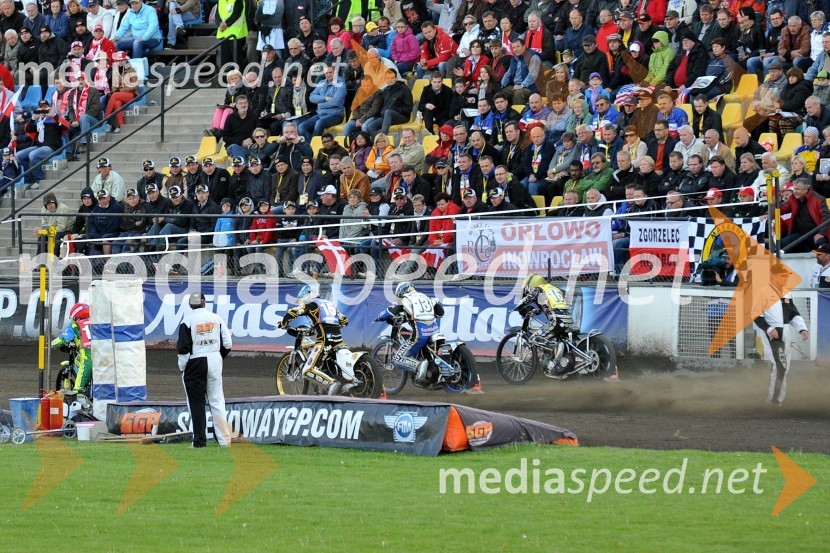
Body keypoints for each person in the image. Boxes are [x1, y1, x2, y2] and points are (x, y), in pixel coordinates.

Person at [278, 283, 356, 395]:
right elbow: (344, 321)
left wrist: (284, 322)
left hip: (324, 340)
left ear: (307, 295)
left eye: (302, 298)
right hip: (338, 340)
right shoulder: (329, 304)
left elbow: (293, 312)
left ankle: (331, 384)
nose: (301, 301)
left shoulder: (311, 304)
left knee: (307, 370)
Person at [177, 291, 233, 448]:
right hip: (215, 360)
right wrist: (218, 356)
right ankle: (224, 441)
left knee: (196, 403)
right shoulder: (216, 318)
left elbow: (183, 349)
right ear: (204, 302)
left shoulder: (187, 321)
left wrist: (183, 367)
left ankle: (199, 441)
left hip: (195, 361)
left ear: (190, 304)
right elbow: (228, 343)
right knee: (217, 400)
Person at [753, 265, 808, 405]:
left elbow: (793, 313)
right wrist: (769, 329)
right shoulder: (763, 292)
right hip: (772, 334)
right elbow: (756, 315)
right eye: (783, 275)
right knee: (780, 365)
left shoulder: (787, 293)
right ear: (773, 276)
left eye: (786, 276)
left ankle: (777, 399)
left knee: (785, 366)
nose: (786, 278)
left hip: (785, 331)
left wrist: (802, 328)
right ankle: (773, 399)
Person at [376, 281, 445, 383]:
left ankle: (419, 366)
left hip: (420, 335)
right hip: (434, 332)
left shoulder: (404, 299)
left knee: (397, 359)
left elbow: (390, 311)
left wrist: (378, 317)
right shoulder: (425, 297)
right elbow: (441, 312)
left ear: (401, 291)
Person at [516, 274, 580, 374]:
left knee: (534, 339)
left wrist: (518, 307)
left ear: (530, 284)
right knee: (553, 337)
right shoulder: (554, 289)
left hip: (556, 320)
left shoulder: (537, 289)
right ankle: (562, 358)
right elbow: (567, 297)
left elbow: (526, 300)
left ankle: (553, 362)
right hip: (569, 319)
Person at [50, 302, 92, 395]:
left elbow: (65, 337)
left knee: (78, 390)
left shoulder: (75, 325)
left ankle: (83, 406)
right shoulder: (96, 321)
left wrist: (52, 344)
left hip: (88, 358)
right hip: (103, 354)